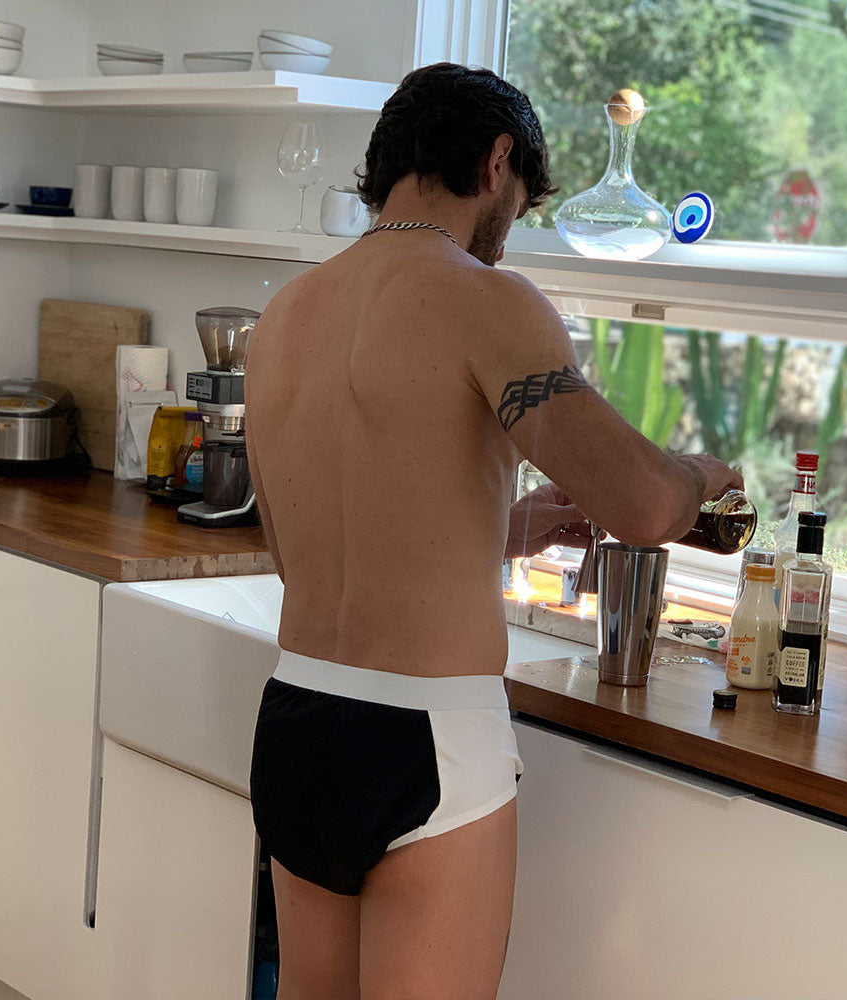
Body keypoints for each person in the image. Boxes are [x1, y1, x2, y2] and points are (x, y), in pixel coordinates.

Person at [244, 62, 742, 1000]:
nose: (507, 232)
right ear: (496, 160)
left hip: (300, 718)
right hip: (426, 737)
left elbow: (300, 545)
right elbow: (639, 503)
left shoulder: (287, 315)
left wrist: (503, 529)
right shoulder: (484, 298)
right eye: (517, 202)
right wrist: (705, 477)